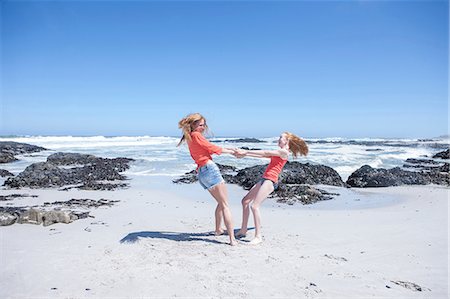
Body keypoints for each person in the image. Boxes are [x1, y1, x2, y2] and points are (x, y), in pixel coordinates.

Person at [235, 132, 309, 245]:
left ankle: (258, 236)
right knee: (245, 201)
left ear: (287, 141)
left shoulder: (283, 152)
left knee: (255, 206)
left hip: (270, 181)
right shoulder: (278, 152)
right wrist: (245, 154)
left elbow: (265, 152)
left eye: (281, 137)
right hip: (264, 179)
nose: (278, 139)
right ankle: (243, 230)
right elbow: (263, 155)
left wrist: (245, 151)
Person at [177, 113, 238, 246]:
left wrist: (230, 149)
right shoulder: (196, 135)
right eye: (200, 125)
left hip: (202, 173)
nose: (203, 127)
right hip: (209, 169)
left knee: (221, 202)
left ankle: (217, 230)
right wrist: (232, 152)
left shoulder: (189, 138)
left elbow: (207, 149)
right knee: (225, 205)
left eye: (204, 125)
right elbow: (212, 148)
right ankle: (232, 239)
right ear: (193, 125)